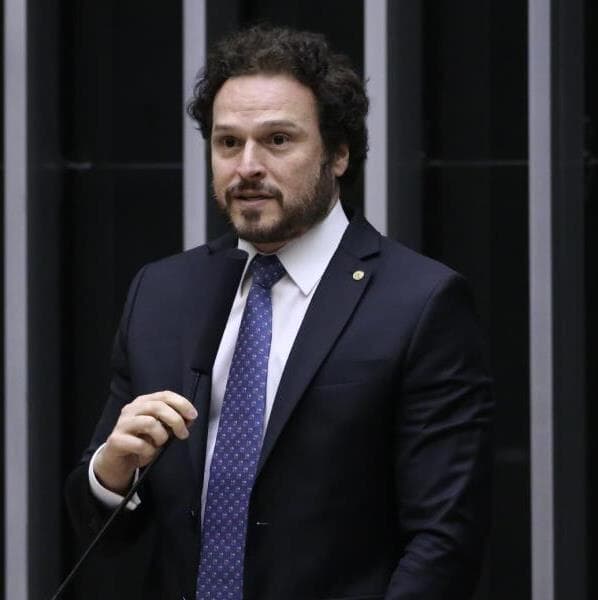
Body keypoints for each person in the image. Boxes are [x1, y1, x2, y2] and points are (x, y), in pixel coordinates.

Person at [66, 25, 493, 600]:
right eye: (228, 143)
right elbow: (101, 526)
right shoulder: (162, 292)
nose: (247, 166)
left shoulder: (420, 302)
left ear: (338, 153)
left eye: (277, 140)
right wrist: (111, 473)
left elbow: (445, 538)